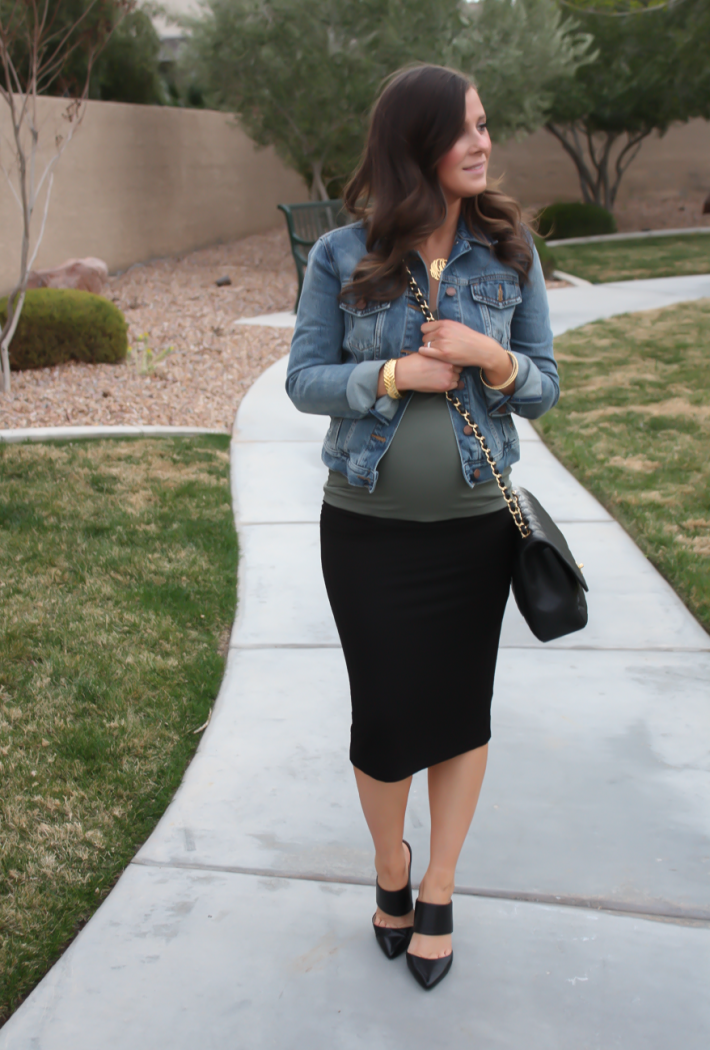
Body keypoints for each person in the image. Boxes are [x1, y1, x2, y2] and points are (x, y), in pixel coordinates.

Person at [286, 64, 558, 991]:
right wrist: (393, 376)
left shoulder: (510, 248)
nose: (484, 143)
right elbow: (303, 380)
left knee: (459, 710)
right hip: (365, 529)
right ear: (415, 145)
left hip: (475, 531)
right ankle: (390, 864)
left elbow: (549, 384)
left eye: (487, 124)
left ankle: (438, 884)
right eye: (464, 130)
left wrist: (495, 358)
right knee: (386, 716)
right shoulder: (340, 256)